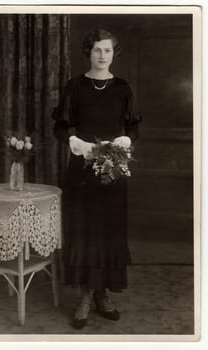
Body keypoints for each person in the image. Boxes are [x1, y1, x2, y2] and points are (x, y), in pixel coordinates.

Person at [53, 28, 142, 329]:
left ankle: (103, 295)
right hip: (81, 171)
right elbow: (61, 126)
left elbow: (132, 128)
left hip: (113, 171)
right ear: (88, 53)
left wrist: (127, 140)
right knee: (84, 231)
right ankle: (84, 297)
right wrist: (73, 142)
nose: (102, 56)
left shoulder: (123, 88)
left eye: (107, 50)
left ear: (114, 53)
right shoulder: (75, 86)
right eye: (96, 51)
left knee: (108, 231)